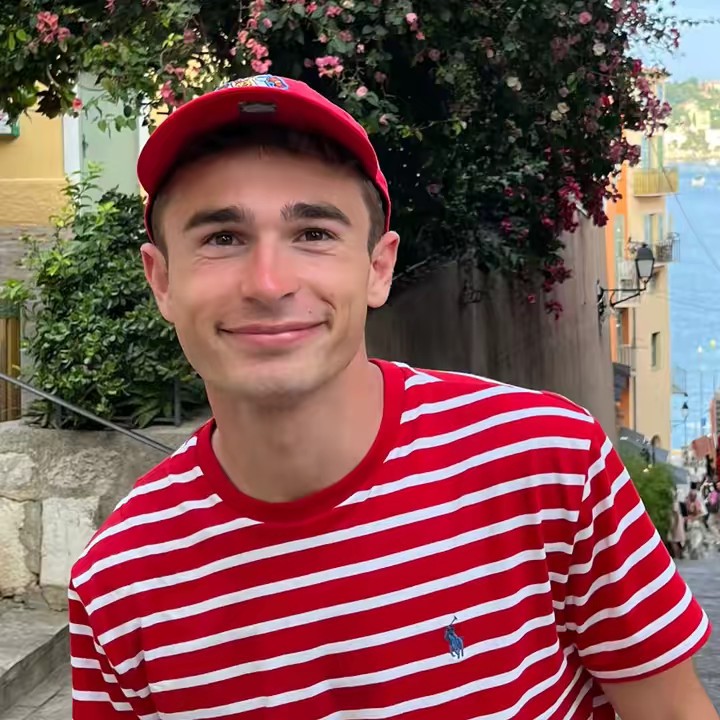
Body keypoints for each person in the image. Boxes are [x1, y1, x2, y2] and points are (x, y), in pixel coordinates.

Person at [69, 74, 717, 720]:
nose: (268, 282)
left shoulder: (547, 462)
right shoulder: (119, 584)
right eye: (222, 238)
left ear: (377, 268)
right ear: (162, 280)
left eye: (314, 233)